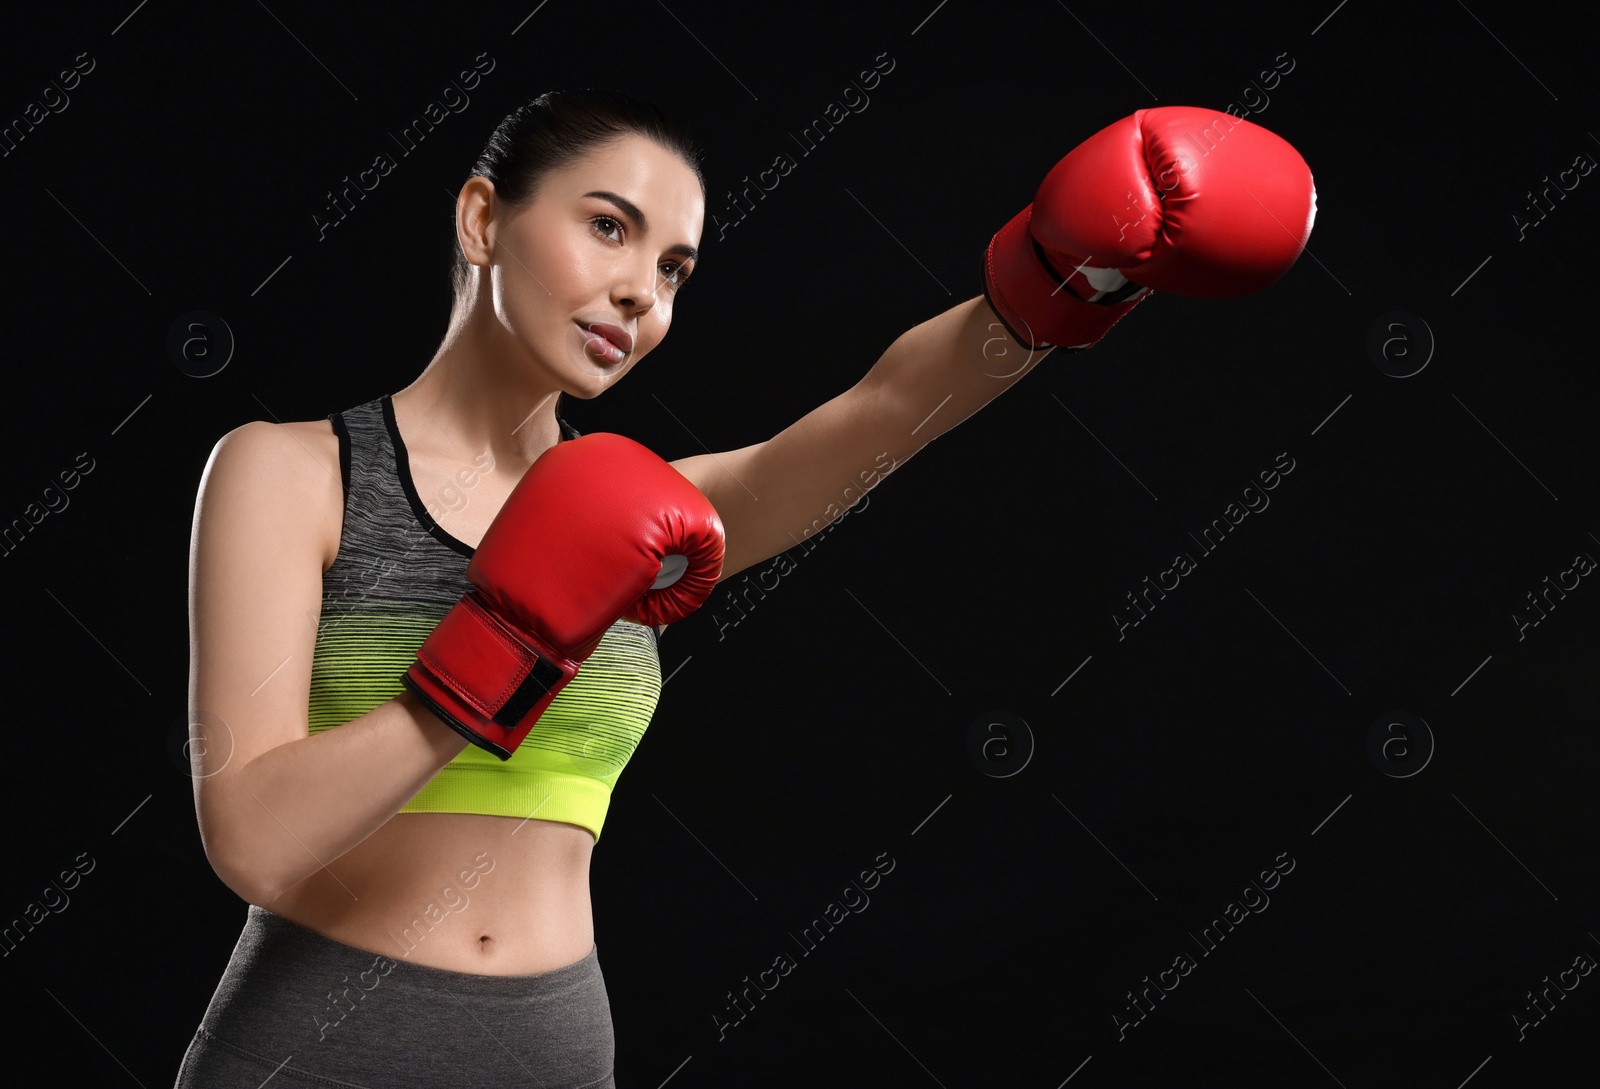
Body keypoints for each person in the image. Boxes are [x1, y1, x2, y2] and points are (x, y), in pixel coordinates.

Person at [173, 90, 1315, 1086]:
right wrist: (501, 643)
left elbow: (876, 413)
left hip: (553, 1045)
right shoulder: (291, 471)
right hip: (319, 1052)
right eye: (608, 229)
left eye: (672, 270)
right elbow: (255, 842)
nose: (638, 294)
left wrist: (1068, 270)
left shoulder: (650, 513)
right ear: (483, 219)